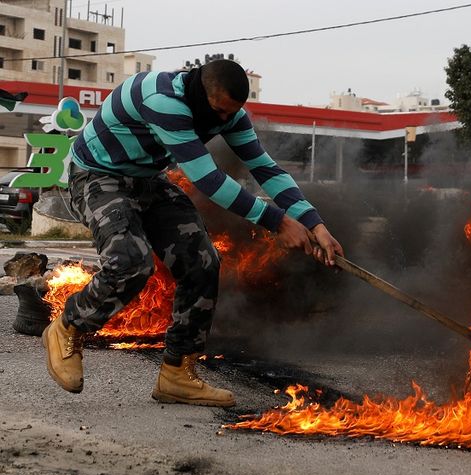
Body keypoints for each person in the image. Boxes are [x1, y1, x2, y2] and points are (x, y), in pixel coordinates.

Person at [42, 59, 343, 407]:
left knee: (202, 262)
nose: (223, 120)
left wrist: (315, 224)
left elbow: (265, 168)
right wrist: (277, 222)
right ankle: (69, 327)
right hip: (97, 176)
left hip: (147, 180)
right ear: (201, 92)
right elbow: (209, 180)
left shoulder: (230, 115)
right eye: (218, 111)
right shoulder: (163, 101)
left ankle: (177, 375)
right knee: (131, 262)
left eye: (231, 113)